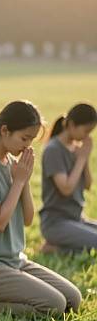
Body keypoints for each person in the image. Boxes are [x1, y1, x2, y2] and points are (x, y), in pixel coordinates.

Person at [0, 100, 81, 315]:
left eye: (31, 140)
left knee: (73, 298)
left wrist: (22, 181)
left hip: (14, 260)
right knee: (55, 305)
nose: (27, 146)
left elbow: (28, 218)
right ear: (4, 131)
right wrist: (19, 182)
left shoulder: (12, 164)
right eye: (24, 138)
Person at [40, 103, 97, 253]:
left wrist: (84, 158)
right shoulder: (53, 150)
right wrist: (81, 158)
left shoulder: (76, 149)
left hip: (77, 218)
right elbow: (66, 189)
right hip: (56, 222)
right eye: (86, 131)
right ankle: (53, 248)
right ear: (71, 125)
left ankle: (61, 245)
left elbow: (88, 185)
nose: (87, 136)